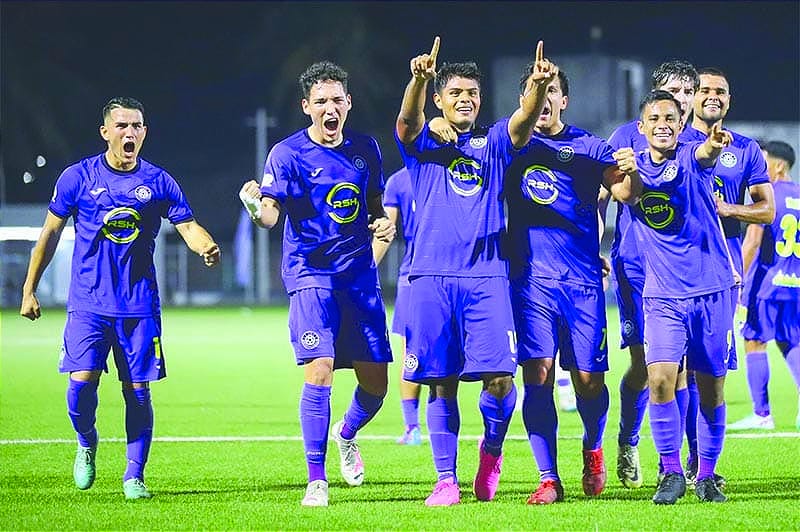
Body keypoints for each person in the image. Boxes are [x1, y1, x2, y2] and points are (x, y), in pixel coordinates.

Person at [19, 96, 221, 500]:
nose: (131, 133)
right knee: (81, 386)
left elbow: (187, 226)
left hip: (139, 306)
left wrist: (206, 245)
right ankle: (86, 441)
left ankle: (134, 476)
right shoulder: (78, 177)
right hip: (89, 303)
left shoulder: (159, 182)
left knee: (138, 391)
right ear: (105, 132)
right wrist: (29, 289)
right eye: (123, 126)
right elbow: (50, 233)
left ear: (144, 132)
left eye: (137, 126)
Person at [394, 37, 554, 506]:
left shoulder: (495, 142)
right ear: (439, 99)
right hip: (431, 277)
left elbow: (523, 123)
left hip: (487, 278)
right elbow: (407, 122)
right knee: (440, 382)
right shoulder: (425, 142)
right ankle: (446, 480)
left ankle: (492, 451)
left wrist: (539, 88)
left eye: (473, 93)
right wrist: (418, 82)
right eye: (456, 93)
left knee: (501, 380)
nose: (465, 99)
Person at [238, 61, 395, 508]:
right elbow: (271, 215)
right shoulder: (286, 154)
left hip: (358, 277)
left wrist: (381, 223)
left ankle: (346, 433)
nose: (330, 108)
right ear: (306, 106)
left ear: (348, 103)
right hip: (310, 275)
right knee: (320, 367)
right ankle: (316, 479)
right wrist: (255, 207)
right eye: (321, 101)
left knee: (376, 385)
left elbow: (374, 205)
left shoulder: (365, 149)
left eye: (337, 100)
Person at [503, 67, 641, 504]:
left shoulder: (590, 147)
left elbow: (626, 194)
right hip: (530, 282)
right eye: (536, 91)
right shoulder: (510, 144)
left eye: (552, 91)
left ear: (564, 100)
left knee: (588, 381)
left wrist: (632, 172)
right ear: (525, 99)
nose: (544, 98)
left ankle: (593, 447)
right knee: (537, 375)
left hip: (582, 282)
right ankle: (548, 478)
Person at [618, 90, 735, 504]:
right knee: (660, 380)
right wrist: (631, 170)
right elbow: (628, 194)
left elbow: (705, 156)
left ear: (681, 125)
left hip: (712, 291)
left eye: (670, 118)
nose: (663, 125)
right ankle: (670, 473)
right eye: (655, 118)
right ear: (642, 127)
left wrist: (713, 145)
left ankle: (706, 474)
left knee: (711, 388)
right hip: (663, 296)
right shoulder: (632, 166)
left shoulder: (690, 157)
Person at [603, 60, 699, 489]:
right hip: (637, 265)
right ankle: (628, 440)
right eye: (672, 90)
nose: (679, 98)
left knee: (682, 369)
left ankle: (674, 463)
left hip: (683, 272)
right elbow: (602, 194)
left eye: (686, 92)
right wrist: (593, 247)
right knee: (645, 365)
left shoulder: (697, 145)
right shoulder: (626, 136)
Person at [735, 140, 800, 430]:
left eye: (765, 164)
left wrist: (738, 279)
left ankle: (762, 414)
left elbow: (752, 242)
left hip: (767, 285)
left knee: (754, 340)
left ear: (779, 165)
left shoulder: (768, 195)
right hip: (795, 285)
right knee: (793, 342)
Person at [373, 167, 424, 445]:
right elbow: (387, 229)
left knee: (411, 353)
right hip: (419, 274)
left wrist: (366, 269)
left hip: (415, 275)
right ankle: (413, 426)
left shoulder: (398, 180)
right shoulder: (399, 181)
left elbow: (386, 230)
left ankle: (413, 428)